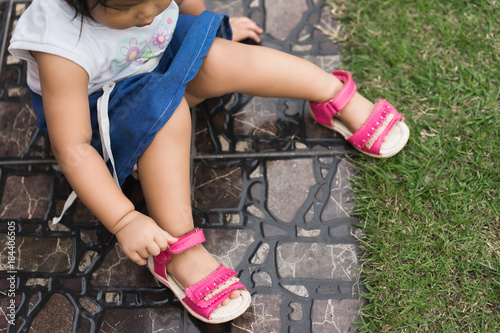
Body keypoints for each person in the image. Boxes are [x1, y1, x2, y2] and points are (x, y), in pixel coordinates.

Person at [9, 0, 409, 324]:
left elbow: (183, 9)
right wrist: (125, 220)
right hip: (107, 109)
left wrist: (207, 30)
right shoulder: (61, 42)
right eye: (127, 9)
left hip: (156, 58)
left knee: (220, 57)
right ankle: (177, 248)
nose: (148, 13)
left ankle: (330, 93)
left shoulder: (146, 6)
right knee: (168, 116)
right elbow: (74, 148)